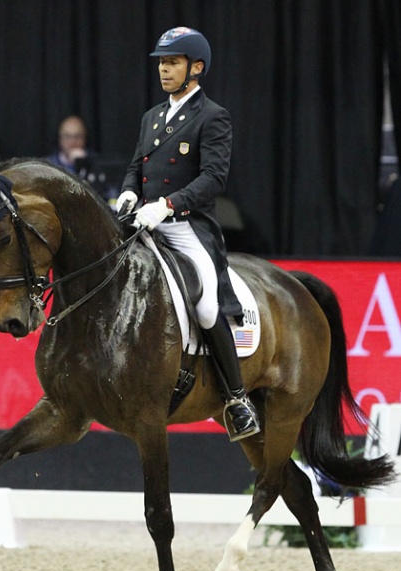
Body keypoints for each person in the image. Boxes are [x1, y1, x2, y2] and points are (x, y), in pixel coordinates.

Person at [116, 26, 259, 441]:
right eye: (162, 62)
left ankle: (236, 399)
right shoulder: (152, 117)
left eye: (173, 62)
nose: (164, 70)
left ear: (196, 68)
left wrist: (168, 204)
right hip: (145, 223)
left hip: (185, 229)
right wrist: (128, 191)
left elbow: (214, 178)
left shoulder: (212, 117)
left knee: (208, 307)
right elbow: (136, 166)